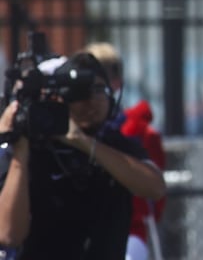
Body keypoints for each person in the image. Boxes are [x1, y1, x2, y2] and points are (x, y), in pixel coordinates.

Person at [0, 50, 167, 259]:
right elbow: (9, 234)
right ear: (58, 99)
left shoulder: (115, 144)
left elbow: (155, 188)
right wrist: (20, 154)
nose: (92, 101)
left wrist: (84, 143)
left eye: (98, 89)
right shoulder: (34, 149)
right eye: (78, 93)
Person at [85, 40, 167, 260]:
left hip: (127, 229)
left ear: (117, 83)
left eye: (102, 82)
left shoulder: (135, 132)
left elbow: (154, 197)